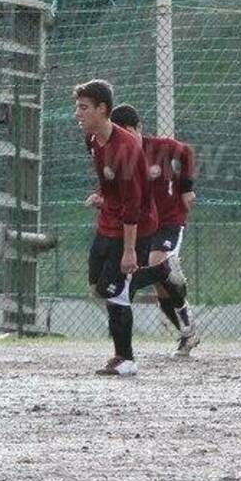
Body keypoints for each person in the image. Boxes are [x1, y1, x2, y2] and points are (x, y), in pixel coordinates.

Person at [74, 80, 186, 376]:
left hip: (134, 227)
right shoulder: (93, 139)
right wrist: (102, 196)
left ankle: (125, 359)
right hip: (108, 221)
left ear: (103, 109)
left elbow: (134, 205)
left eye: (84, 108)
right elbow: (108, 179)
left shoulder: (125, 149)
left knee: (117, 292)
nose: (78, 113)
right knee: (97, 286)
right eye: (78, 107)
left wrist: (128, 251)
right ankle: (161, 272)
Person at [109, 104, 199, 357]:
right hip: (144, 225)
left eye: (129, 131)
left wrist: (186, 188)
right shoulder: (120, 157)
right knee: (162, 285)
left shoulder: (160, 147)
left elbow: (187, 153)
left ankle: (144, 280)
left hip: (170, 219)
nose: (127, 138)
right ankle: (188, 332)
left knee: (156, 263)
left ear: (139, 128)